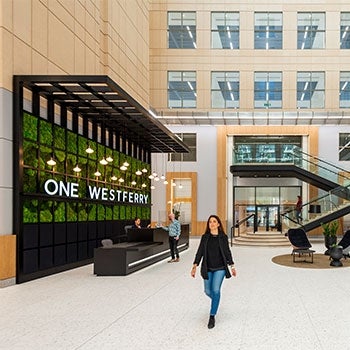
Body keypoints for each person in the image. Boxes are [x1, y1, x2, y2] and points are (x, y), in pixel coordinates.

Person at [191, 215, 237, 329]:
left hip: (220, 268)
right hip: (207, 268)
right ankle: (216, 301)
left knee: (215, 290)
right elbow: (200, 252)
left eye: (214, 221)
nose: (212, 223)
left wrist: (232, 266)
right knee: (207, 291)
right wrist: (194, 265)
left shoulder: (223, 237)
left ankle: (212, 316)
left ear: (218, 224)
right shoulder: (205, 237)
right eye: (210, 222)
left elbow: (227, 252)